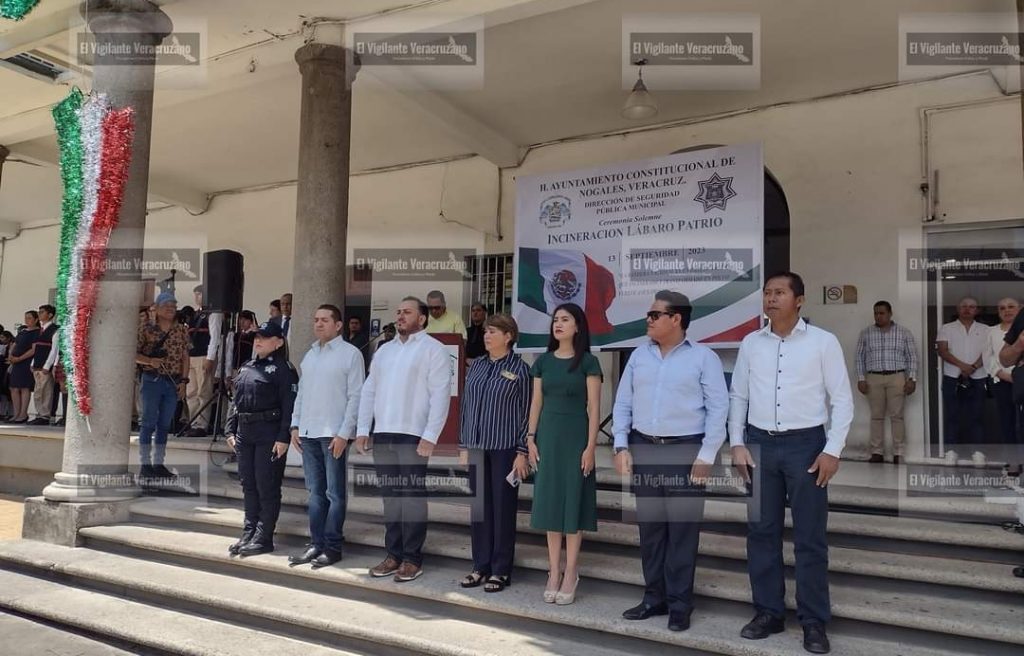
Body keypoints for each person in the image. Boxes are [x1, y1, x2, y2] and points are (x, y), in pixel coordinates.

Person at [729, 271, 853, 655]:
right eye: (767, 293)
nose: (771, 298)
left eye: (779, 292)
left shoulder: (823, 342)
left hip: (807, 447)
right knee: (761, 534)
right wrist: (737, 443)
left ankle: (813, 621)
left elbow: (843, 399)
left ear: (799, 300)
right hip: (760, 446)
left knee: (810, 540)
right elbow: (739, 397)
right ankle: (768, 612)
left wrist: (832, 450)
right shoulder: (752, 343)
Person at [613, 291, 728, 632]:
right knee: (651, 531)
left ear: (676, 319)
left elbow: (718, 408)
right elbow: (623, 403)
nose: (648, 320)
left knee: (682, 533)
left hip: (686, 452)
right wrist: (621, 445)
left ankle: (680, 604)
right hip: (644, 448)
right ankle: (654, 597)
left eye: (654, 315)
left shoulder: (703, 358)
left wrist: (707, 455)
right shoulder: (638, 357)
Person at [355, 297, 451, 582]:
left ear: (422, 319)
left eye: (406, 312)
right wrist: (363, 428)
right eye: (397, 311)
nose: (400, 315)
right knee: (391, 498)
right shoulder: (384, 351)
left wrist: (431, 435)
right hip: (384, 432)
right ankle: (393, 554)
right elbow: (369, 390)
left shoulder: (434, 350)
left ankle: (412, 558)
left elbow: (440, 395)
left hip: (414, 434)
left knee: (411, 498)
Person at [527, 303, 602, 606]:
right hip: (547, 436)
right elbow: (536, 404)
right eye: (555, 320)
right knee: (549, 503)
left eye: (565, 319)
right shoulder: (543, 361)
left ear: (578, 326)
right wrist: (530, 439)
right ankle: (553, 571)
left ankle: (571, 571)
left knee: (573, 502)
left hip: (576, 437)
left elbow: (595, 408)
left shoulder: (588, 362)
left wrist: (591, 446)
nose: (558, 324)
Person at [458, 313, 531, 593]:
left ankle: (500, 570)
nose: (487, 336)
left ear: (508, 336)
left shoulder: (521, 369)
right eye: (486, 331)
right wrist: (464, 445)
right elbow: (465, 407)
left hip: (506, 449)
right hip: (477, 446)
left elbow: (527, 413)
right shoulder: (476, 366)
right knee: (479, 510)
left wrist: (523, 451)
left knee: (502, 510)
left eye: (493, 331)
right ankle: (480, 566)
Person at [288, 304, 365, 569]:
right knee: (315, 493)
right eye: (316, 319)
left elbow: (357, 396)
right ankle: (316, 544)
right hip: (308, 432)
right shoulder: (310, 355)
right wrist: (295, 425)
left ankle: (332, 546)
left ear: (338, 325)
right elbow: (301, 393)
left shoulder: (350, 354)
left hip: (333, 434)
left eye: (324, 320)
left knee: (335, 494)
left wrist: (346, 433)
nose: (318, 324)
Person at [224, 321, 297, 556]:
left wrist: (284, 436)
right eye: (257, 336)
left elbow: (289, 405)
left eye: (265, 337)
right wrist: (229, 430)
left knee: (267, 485)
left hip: (269, 432)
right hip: (245, 432)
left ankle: (264, 537)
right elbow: (235, 400)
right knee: (249, 485)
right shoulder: (247, 366)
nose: (258, 340)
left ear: (278, 342)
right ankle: (249, 532)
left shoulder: (284, 369)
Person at [854, 301, 918, 464]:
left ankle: (898, 452)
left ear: (890, 314)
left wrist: (912, 378)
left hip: (896, 377)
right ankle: (876, 452)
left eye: (882, 313)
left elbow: (912, 357)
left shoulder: (904, 333)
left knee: (897, 416)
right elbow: (859, 358)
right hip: (873, 378)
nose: (878, 316)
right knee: (876, 416)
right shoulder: (866, 333)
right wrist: (861, 379)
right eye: (876, 313)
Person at [135, 292, 191, 479]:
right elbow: (132, 353)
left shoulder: (181, 330)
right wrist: (150, 361)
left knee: (164, 425)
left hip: (172, 382)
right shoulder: (147, 328)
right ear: (157, 308)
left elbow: (185, 357)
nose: (171, 308)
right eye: (166, 305)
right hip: (152, 380)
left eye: (174, 305)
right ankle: (145, 465)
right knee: (148, 423)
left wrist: (184, 381)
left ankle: (159, 464)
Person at [936, 297, 989, 465]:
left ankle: (978, 452)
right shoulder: (946, 328)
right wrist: (963, 366)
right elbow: (943, 351)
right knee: (953, 415)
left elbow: (989, 352)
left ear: (977, 310)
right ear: (958, 309)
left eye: (972, 307)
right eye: (964, 306)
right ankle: (951, 451)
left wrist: (973, 366)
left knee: (977, 416)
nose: (967, 309)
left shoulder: (986, 329)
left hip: (979, 377)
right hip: (952, 377)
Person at [184, 285, 223, 437]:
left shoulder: (213, 313)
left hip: (203, 356)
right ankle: (193, 422)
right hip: (192, 356)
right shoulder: (195, 314)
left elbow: (215, 337)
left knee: (203, 391)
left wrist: (210, 358)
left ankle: (202, 424)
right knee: (191, 392)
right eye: (196, 294)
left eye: (199, 294)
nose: (197, 297)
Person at [983, 298, 1020, 447]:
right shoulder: (990, 332)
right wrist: (1002, 374)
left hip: (1022, 380)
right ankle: (1012, 460)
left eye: (1011, 307)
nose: (1007, 311)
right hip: (1002, 381)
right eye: (1002, 308)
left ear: (1020, 309)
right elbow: (987, 357)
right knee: (1007, 420)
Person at [7, 312, 40, 424]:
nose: (27, 320)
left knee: (24, 387)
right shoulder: (22, 332)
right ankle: (16, 414)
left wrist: (20, 358)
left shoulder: (37, 332)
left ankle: (23, 414)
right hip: (15, 363)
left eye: (30, 318)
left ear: (36, 320)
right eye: (26, 318)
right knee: (14, 388)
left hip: (26, 363)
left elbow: (33, 349)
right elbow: (14, 345)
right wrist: (11, 355)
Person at [29, 304, 59, 425]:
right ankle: (39, 413)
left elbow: (54, 350)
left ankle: (45, 415)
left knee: (46, 391)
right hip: (37, 364)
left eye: (42, 312)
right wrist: (32, 362)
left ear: (50, 314)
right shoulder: (40, 330)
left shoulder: (55, 330)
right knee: (38, 391)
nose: (40, 314)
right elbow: (36, 348)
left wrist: (48, 365)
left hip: (45, 366)